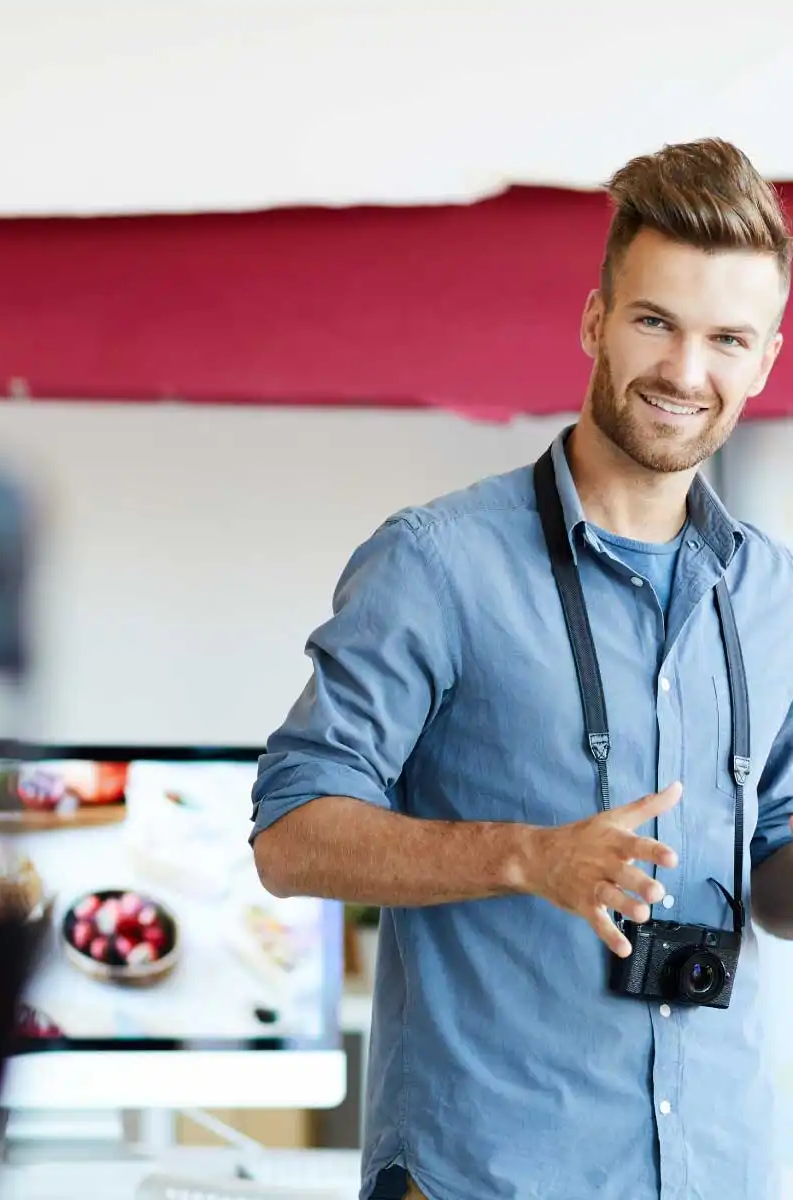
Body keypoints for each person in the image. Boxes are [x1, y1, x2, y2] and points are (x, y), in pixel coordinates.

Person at [250, 137, 793, 1200]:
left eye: (728, 338)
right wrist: (526, 858)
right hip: (484, 1176)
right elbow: (290, 833)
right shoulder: (437, 562)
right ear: (595, 319)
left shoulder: (776, 593)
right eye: (655, 322)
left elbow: (777, 867)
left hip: (717, 1171)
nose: (687, 372)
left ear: (766, 359)